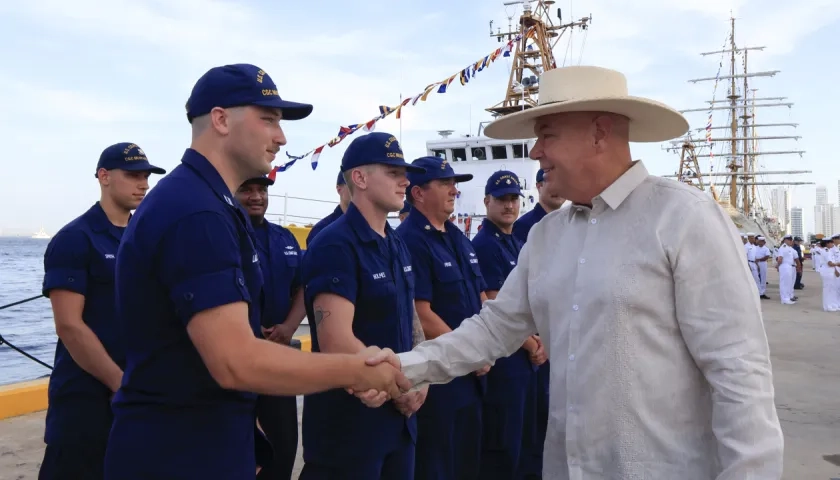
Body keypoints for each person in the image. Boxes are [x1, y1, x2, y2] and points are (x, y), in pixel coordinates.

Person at [363, 65, 784, 478]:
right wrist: (404, 366)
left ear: (599, 132)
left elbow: (738, 370)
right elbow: (495, 328)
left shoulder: (684, 217)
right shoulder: (548, 235)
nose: (535, 152)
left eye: (547, 135)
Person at [104, 63, 410, 480]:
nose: (281, 137)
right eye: (268, 119)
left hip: (205, 439)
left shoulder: (211, 204)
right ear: (220, 119)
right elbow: (235, 361)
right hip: (178, 453)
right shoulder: (196, 212)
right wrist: (356, 370)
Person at [299, 132, 428, 479]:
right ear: (359, 177)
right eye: (393, 172)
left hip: (398, 425)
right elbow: (335, 340)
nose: (405, 181)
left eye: (405, 173)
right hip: (350, 429)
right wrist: (400, 385)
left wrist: (422, 375)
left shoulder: (396, 243)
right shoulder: (334, 244)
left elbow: (411, 319)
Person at [38, 142, 165, 480]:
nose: (143, 184)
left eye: (146, 177)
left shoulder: (147, 239)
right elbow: (69, 325)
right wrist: (118, 382)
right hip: (86, 398)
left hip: (138, 393)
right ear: (104, 176)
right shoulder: (76, 238)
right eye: (133, 176)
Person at [396, 155, 489, 480]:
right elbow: (420, 314)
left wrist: (485, 348)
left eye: (454, 183)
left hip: (472, 377)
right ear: (418, 192)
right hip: (440, 382)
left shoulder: (458, 238)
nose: (454, 190)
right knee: (437, 467)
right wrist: (471, 353)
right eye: (445, 183)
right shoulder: (410, 240)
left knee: (467, 465)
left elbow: (480, 297)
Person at [471, 170, 546, 479]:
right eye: (501, 199)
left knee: (527, 442)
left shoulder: (514, 241)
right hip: (507, 360)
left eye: (514, 198)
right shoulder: (486, 244)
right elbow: (494, 302)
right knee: (504, 446)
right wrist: (533, 343)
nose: (509, 205)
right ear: (487, 201)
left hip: (526, 358)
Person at [234, 175, 306, 480]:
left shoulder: (284, 238)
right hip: (237, 362)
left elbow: (303, 286)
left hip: (278, 359)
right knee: (239, 452)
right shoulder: (225, 236)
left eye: (261, 190)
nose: (256, 196)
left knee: (283, 447)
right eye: (247, 190)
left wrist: (289, 327)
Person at [511, 167, 565, 478]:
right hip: (535, 342)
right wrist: (535, 339)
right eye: (547, 181)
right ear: (538, 186)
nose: (555, 188)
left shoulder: (572, 224)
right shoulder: (525, 228)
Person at [306, 171, 350, 246]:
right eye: (352, 185)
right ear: (339, 189)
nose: (359, 190)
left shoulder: (369, 226)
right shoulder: (320, 230)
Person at [754, 236, 771, 300]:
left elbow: (766, 257)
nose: (760, 243)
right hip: (755, 263)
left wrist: (759, 259)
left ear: (764, 242)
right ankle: (757, 292)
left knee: (763, 278)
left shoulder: (766, 249)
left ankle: (762, 293)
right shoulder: (755, 248)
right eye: (759, 241)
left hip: (763, 263)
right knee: (756, 278)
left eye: (762, 242)